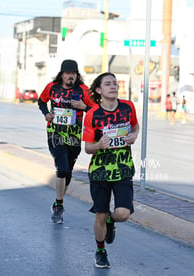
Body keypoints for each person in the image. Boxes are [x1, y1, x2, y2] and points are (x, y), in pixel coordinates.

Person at [83, 72, 140, 269]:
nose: (113, 86)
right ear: (99, 90)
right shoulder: (92, 114)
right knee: (99, 214)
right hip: (100, 171)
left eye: (115, 83)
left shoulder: (127, 107)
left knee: (123, 213)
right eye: (108, 84)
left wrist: (134, 135)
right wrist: (99, 145)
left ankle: (111, 220)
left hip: (123, 168)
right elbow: (88, 148)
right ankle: (100, 251)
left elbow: (135, 126)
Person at [38, 59, 95, 224]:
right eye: (68, 73)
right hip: (55, 133)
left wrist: (83, 106)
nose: (71, 76)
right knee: (62, 169)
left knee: (67, 172)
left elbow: (96, 109)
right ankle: (59, 206)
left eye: (74, 74)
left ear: (77, 75)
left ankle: (58, 201)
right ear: (62, 74)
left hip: (75, 136)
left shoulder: (84, 90)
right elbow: (41, 101)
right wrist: (46, 114)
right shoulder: (51, 87)